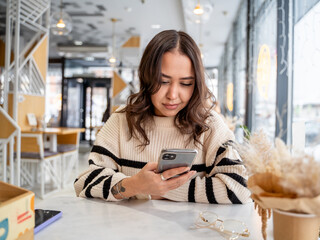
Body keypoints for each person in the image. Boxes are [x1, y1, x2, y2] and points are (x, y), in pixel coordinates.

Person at [74, 30, 252, 204]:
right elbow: (85, 182)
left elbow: (239, 187)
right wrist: (134, 185)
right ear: (147, 77)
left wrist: (161, 189)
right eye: (163, 81)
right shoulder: (122, 120)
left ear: (196, 83)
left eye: (186, 83)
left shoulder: (209, 124)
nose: (173, 94)